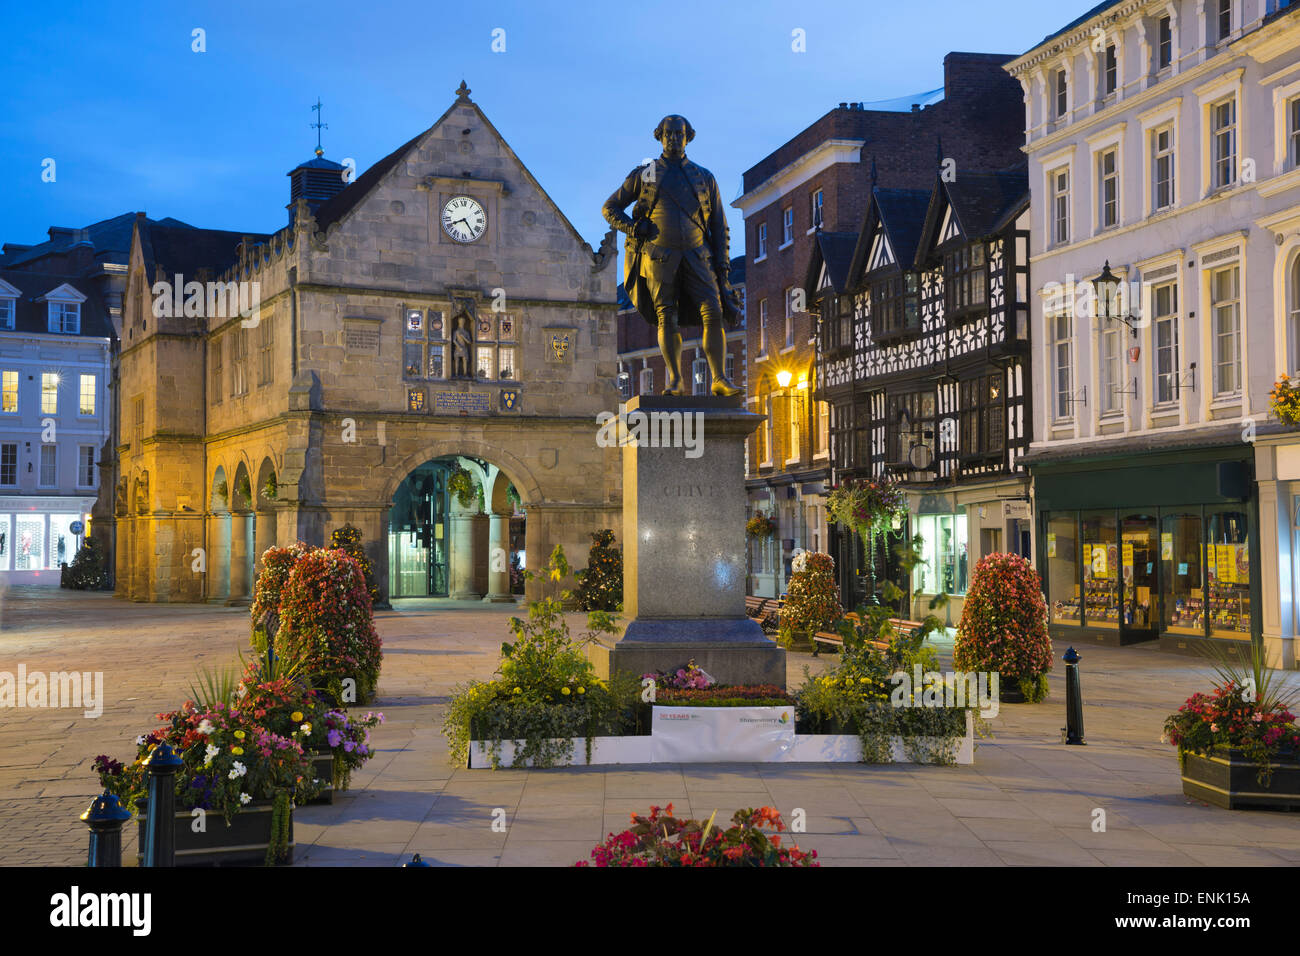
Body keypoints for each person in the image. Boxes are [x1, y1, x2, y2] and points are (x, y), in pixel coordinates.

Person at [603, 115, 742, 397]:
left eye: (679, 134)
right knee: (667, 316)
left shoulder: (704, 177)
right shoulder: (646, 173)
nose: (674, 138)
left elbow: (719, 225)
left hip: (698, 255)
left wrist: (723, 269)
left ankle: (719, 379)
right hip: (659, 256)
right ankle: (676, 381)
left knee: (713, 312)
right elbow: (610, 207)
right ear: (659, 136)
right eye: (668, 133)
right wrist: (632, 226)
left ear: (688, 136)